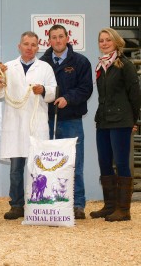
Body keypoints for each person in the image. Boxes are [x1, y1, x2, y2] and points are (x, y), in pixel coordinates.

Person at [0, 31, 57, 220]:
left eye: (33, 44)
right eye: (26, 44)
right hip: (14, 125)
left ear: (38, 48)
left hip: (36, 123)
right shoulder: (7, 67)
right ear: (19, 46)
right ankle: (16, 206)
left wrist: (43, 90)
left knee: (37, 169)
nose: (29, 48)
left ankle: (37, 205)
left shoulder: (45, 67)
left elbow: (53, 92)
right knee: (16, 170)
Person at [40, 24, 93, 220]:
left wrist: (68, 98)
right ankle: (54, 202)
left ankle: (78, 204)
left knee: (75, 164)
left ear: (67, 37)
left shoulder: (80, 62)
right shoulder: (42, 63)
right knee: (50, 164)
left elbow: (86, 89)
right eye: (53, 37)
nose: (58, 40)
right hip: (47, 121)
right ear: (49, 40)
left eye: (61, 36)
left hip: (72, 120)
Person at [90, 27, 141, 222]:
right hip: (103, 121)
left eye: (107, 40)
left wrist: (132, 120)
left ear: (116, 42)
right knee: (104, 163)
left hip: (120, 121)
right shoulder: (102, 66)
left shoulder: (125, 65)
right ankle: (109, 206)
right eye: (101, 40)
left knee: (121, 163)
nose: (104, 43)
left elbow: (135, 96)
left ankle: (123, 210)